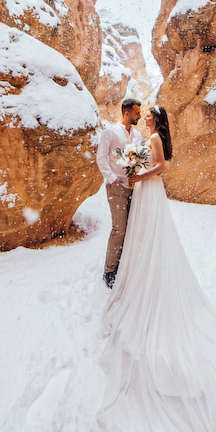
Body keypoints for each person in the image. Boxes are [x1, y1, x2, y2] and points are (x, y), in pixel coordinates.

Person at [97, 105, 216, 432]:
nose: (144, 116)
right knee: (142, 235)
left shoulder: (154, 138)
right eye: (141, 113)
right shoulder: (148, 137)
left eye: (148, 114)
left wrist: (138, 176)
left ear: (155, 119)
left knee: (148, 234)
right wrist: (131, 168)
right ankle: (139, 269)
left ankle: (146, 273)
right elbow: (143, 163)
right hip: (145, 192)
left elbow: (160, 167)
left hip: (149, 190)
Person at [96, 98, 144, 289]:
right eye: (137, 113)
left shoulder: (138, 135)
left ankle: (124, 265)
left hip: (134, 187)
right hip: (116, 187)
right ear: (127, 113)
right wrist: (112, 178)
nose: (139, 116)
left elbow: (140, 158)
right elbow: (101, 158)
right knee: (119, 229)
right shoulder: (110, 132)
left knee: (131, 227)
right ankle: (109, 270)